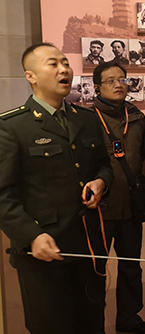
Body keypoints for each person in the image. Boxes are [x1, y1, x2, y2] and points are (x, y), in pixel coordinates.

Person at [0, 43, 113, 334]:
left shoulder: (86, 118)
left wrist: (101, 182)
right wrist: (31, 235)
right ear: (31, 76)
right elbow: (3, 195)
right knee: (51, 325)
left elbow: (104, 166)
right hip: (43, 251)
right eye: (53, 64)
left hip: (87, 246)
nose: (64, 69)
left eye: (65, 63)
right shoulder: (12, 127)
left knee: (91, 323)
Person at [92, 61, 145, 334]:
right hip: (99, 208)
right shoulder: (87, 118)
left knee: (131, 266)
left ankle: (129, 318)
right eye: (111, 81)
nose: (119, 85)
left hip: (131, 205)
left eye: (122, 79)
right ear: (97, 87)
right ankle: (92, 323)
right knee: (96, 269)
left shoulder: (137, 117)